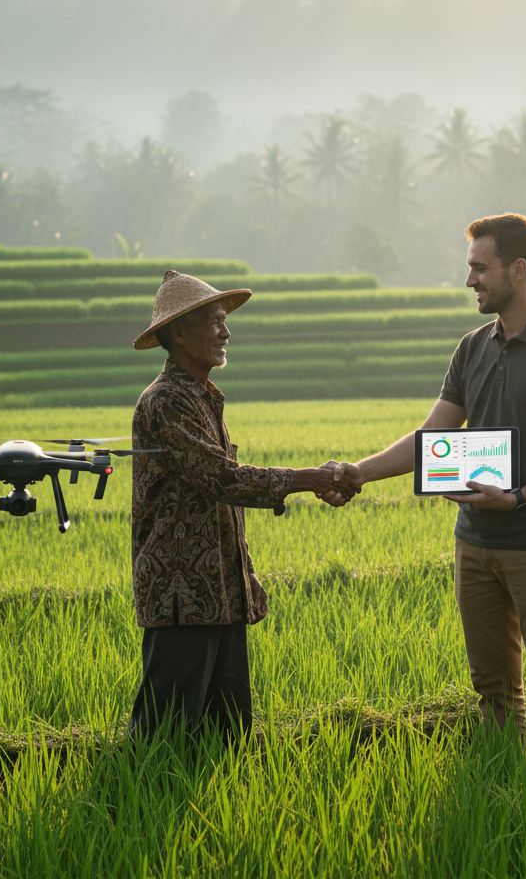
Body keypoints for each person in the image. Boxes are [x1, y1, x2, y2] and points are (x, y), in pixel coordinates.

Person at [327, 214, 526, 734]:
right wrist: (356, 473)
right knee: (494, 691)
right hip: (473, 542)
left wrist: (519, 497)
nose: (469, 280)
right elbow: (431, 439)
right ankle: (506, 800)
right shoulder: (473, 346)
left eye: (480, 268)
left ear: (518, 269)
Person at [128, 270, 362, 741]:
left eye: (224, 320)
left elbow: (216, 501)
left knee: (228, 730)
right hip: (181, 593)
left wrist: (244, 570)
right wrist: (310, 478)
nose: (226, 331)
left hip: (218, 590)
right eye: (214, 321)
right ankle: (133, 807)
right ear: (178, 333)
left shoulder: (203, 397)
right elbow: (222, 479)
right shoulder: (166, 401)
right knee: (163, 734)